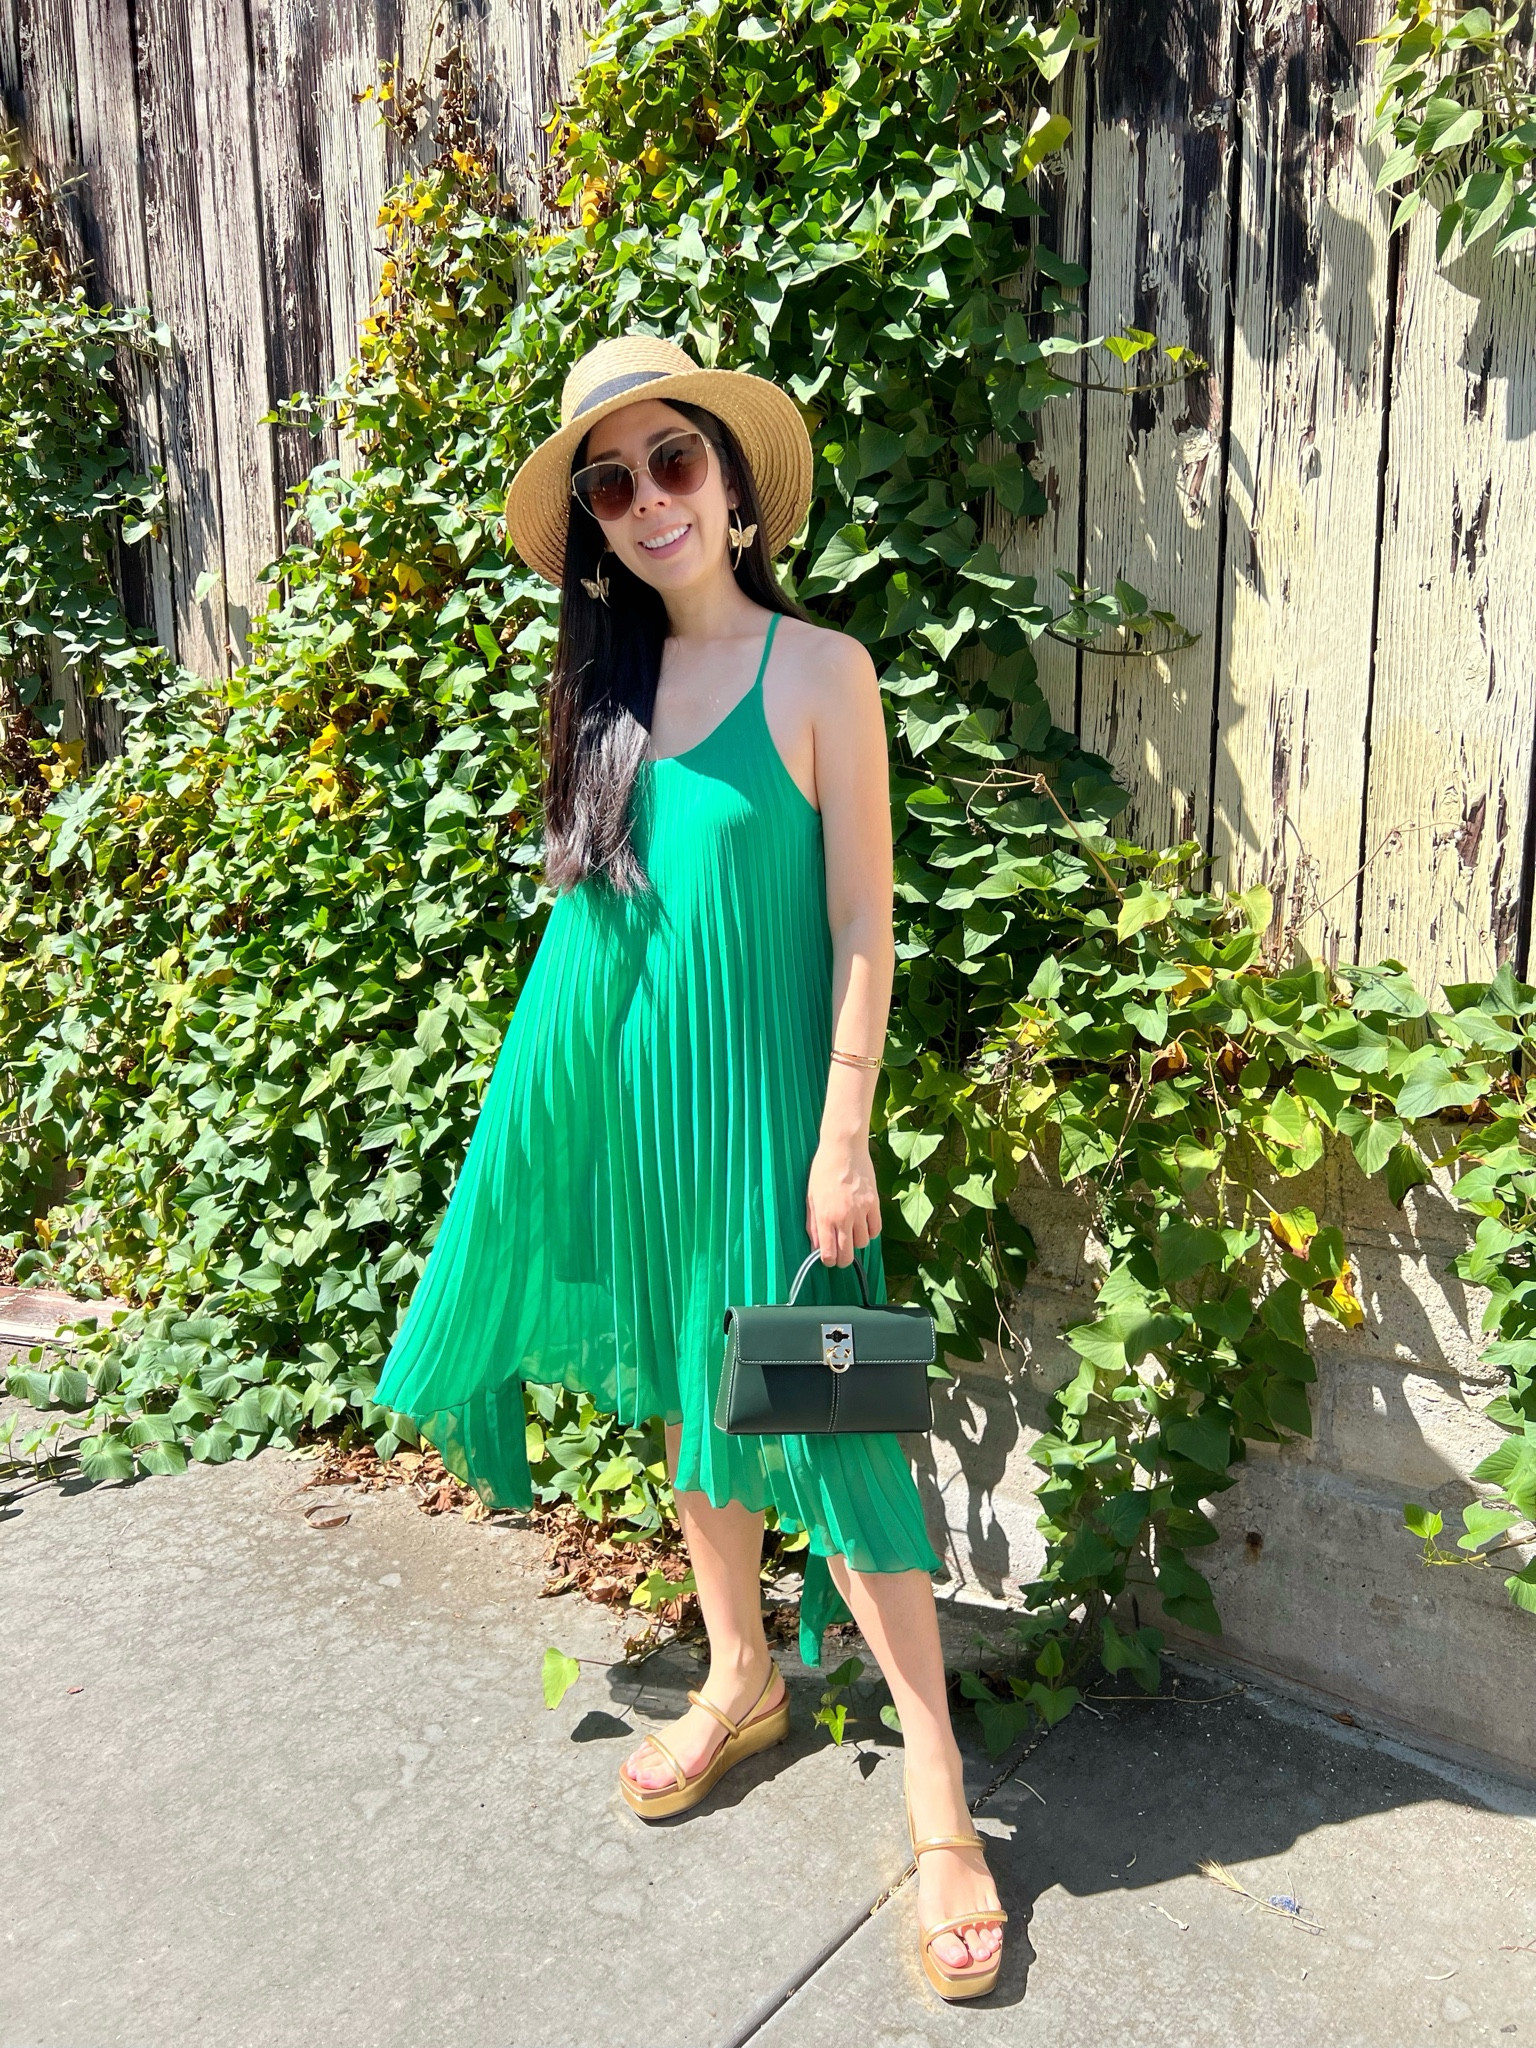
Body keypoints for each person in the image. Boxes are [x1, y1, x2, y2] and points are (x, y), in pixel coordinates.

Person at [374, 333, 1006, 1999]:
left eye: (675, 463)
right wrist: (556, 1140)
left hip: (782, 1132)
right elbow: (596, 943)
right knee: (689, 1395)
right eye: (613, 480)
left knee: (843, 1443)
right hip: (647, 1122)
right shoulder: (607, 699)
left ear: (731, 486)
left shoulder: (826, 672)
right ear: (594, 522)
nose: (650, 499)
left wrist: (845, 1128)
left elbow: (866, 919)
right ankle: (740, 1676)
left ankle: (942, 1805)